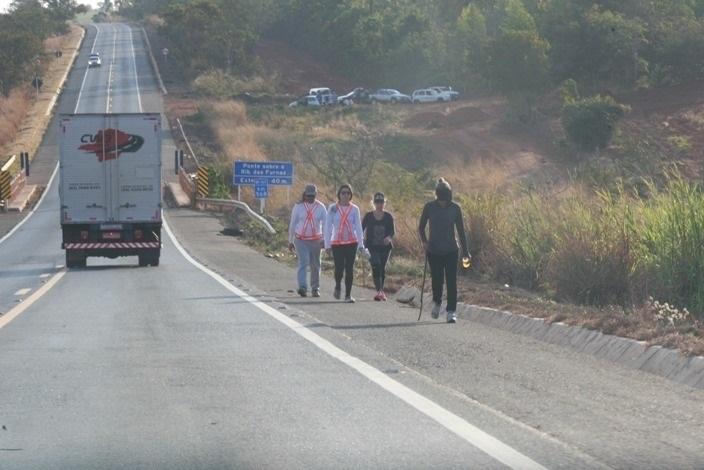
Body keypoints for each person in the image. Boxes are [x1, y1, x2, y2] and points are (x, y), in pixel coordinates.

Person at [418, 178, 470, 323]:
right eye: (440, 199)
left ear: (449, 196)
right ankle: (437, 302)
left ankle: (451, 311)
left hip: (451, 250)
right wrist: (424, 242)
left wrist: (466, 251)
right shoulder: (429, 207)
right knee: (437, 279)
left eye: (445, 199)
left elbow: (461, 231)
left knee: (451, 281)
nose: (442, 202)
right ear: (437, 196)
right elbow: (421, 227)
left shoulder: (455, 208)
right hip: (434, 250)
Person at [324, 183, 365, 303]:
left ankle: (348, 295)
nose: (345, 195)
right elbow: (328, 227)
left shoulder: (355, 209)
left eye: (348, 193)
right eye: (343, 193)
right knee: (339, 268)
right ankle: (337, 285)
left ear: (351, 195)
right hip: (337, 242)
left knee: (349, 268)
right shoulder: (333, 208)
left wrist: (361, 244)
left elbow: (358, 227)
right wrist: (327, 245)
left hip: (351, 242)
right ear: (339, 195)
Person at [288, 184, 327, 297]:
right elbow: (293, 223)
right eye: (308, 196)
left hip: (316, 241)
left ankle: (315, 288)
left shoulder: (320, 207)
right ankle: (302, 287)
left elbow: (325, 225)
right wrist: (290, 240)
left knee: (315, 265)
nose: (310, 198)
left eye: (312, 196)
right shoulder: (298, 207)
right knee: (303, 262)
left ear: (316, 195)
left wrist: (325, 240)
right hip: (301, 240)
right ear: (304, 195)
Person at [362, 192, 395, 301]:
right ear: (374, 203)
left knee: (382, 269)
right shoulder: (368, 216)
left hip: (385, 247)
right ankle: (379, 291)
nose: (379, 204)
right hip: (372, 246)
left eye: (381, 202)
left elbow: (392, 231)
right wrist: (361, 241)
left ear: (384, 203)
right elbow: (361, 228)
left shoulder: (388, 216)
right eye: (377, 202)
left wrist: (389, 238)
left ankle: (381, 291)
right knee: (376, 265)